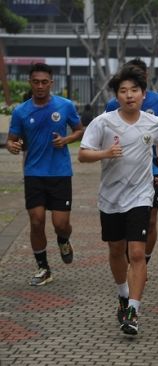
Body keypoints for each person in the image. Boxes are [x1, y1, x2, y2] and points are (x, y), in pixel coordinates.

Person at [79, 65, 158, 335]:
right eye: (123, 91)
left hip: (141, 195)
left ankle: (133, 310)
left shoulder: (153, 122)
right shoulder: (103, 122)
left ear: (144, 94)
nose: (129, 95)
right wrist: (106, 153)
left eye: (134, 90)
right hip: (110, 198)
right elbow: (83, 155)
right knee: (116, 250)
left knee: (137, 252)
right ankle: (122, 293)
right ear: (116, 95)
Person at [6, 62, 83, 286]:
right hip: (33, 173)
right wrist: (13, 145)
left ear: (51, 83)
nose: (40, 86)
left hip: (59, 173)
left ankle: (63, 239)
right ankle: (43, 267)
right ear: (31, 83)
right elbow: (14, 138)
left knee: (60, 224)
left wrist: (66, 140)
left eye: (44, 82)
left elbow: (80, 130)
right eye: (36, 82)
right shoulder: (21, 111)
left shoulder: (65, 105)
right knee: (36, 220)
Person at [105, 58, 158, 265]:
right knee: (124, 223)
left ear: (145, 78)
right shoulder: (112, 105)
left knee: (150, 221)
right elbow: (104, 134)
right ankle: (130, 260)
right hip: (120, 172)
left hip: (150, 171)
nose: (130, 94)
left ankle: (143, 260)